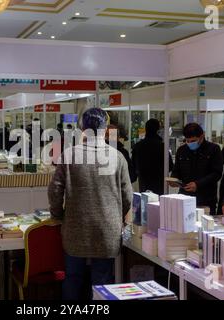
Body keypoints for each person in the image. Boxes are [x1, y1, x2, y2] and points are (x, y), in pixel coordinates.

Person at [48, 107, 133, 300]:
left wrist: (58, 216)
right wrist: (120, 217)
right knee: (102, 282)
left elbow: (55, 190)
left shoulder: (69, 156)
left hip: (75, 229)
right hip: (107, 230)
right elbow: (128, 196)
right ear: (105, 130)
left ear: (82, 129)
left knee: (73, 278)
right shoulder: (117, 157)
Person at [170, 123, 223, 214]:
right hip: (185, 197)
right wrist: (173, 180)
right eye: (187, 141)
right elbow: (176, 171)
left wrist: (198, 184)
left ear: (202, 136)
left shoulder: (213, 149)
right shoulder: (182, 150)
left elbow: (217, 173)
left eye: (193, 141)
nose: (190, 144)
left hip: (206, 199)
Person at [132, 119, 173, 195]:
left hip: (143, 183)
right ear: (158, 130)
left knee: (145, 204)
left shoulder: (138, 146)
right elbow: (170, 166)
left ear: (146, 129)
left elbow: (133, 166)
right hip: (160, 184)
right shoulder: (162, 146)